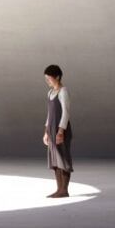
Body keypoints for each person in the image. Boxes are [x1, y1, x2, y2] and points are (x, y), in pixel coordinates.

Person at [42, 64, 73, 198]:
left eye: (49, 78)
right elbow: (49, 115)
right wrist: (46, 132)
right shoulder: (50, 93)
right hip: (51, 130)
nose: (47, 81)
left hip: (60, 129)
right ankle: (59, 189)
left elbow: (66, 113)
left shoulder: (63, 91)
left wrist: (60, 131)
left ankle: (64, 190)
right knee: (55, 160)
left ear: (57, 77)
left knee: (63, 158)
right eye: (46, 78)